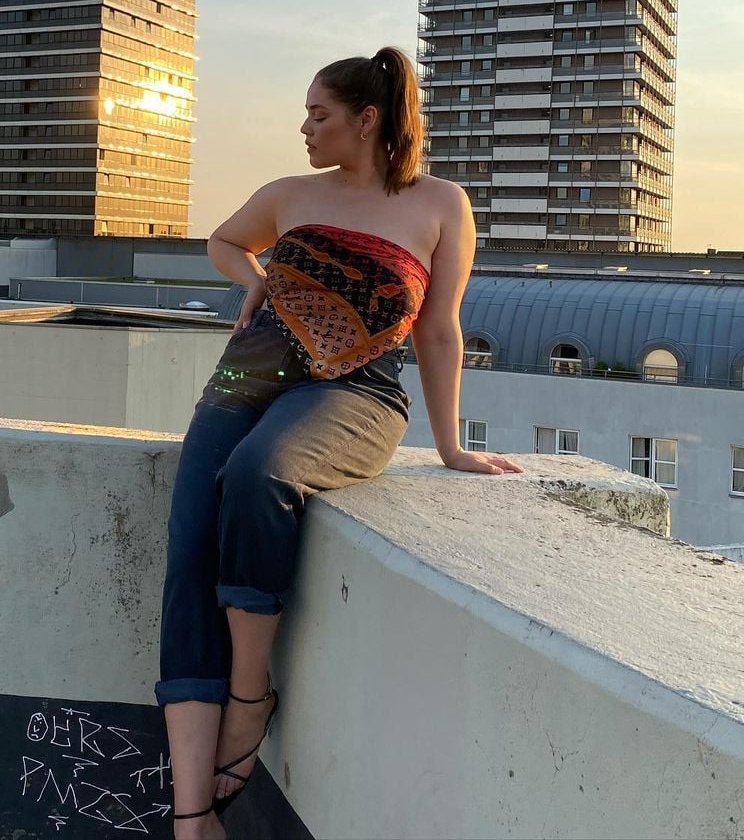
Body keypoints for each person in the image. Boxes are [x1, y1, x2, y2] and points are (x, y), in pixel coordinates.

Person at [155, 46, 524, 837]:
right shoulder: (288, 194)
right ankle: (192, 816)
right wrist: (254, 277)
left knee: (258, 473)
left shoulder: (441, 204)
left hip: (355, 395)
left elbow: (439, 330)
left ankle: (249, 697)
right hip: (241, 380)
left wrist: (452, 446)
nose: (304, 128)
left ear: (367, 120)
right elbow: (223, 241)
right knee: (188, 554)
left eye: (318, 115)